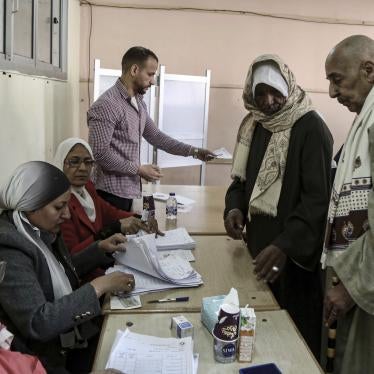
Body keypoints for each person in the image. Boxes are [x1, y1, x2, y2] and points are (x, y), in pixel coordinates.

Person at [224, 54, 333, 358]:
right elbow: (240, 182)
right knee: (257, 339)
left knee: (292, 342)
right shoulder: (254, 125)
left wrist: (285, 246)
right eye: (260, 93)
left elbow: (316, 201)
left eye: (275, 91)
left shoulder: (311, 128)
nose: (268, 101)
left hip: (292, 259)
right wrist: (233, 208)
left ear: (289, 87)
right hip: (259, 250)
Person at [0, 161, 135, 373]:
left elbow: (60, 272)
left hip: (70, 339)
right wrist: (98, 286)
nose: (67, 215)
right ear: (31, 205)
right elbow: (39, 322)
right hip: (44, 358)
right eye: (58, 207)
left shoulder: (37, 228)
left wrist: (99, 248)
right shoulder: (10, 247)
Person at [88, 46, 216, 211]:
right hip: (109, 194)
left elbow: (156, 136)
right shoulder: (107, 105)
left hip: (129, 192)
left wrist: (195, 151)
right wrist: (138, 169)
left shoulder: (139, 102)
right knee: (115, 236)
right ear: (134, 69)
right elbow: (99, 153)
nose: (154, 81)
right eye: (150, 74)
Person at [322, 35, 374, 373]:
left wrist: (353, 287)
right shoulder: (363, 120)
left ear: (369, 70)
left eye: (336, 80)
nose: (331, 93)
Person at [54, 138, 161, 276]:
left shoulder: (88, 189)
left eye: (88, 162)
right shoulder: (59, 203)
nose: (82, 168)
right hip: (85, 277)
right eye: (74, 161)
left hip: (104, 265)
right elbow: (72, 256)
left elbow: (112, 213)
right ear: (60, 163)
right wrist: (114, 228)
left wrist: (142, 219)